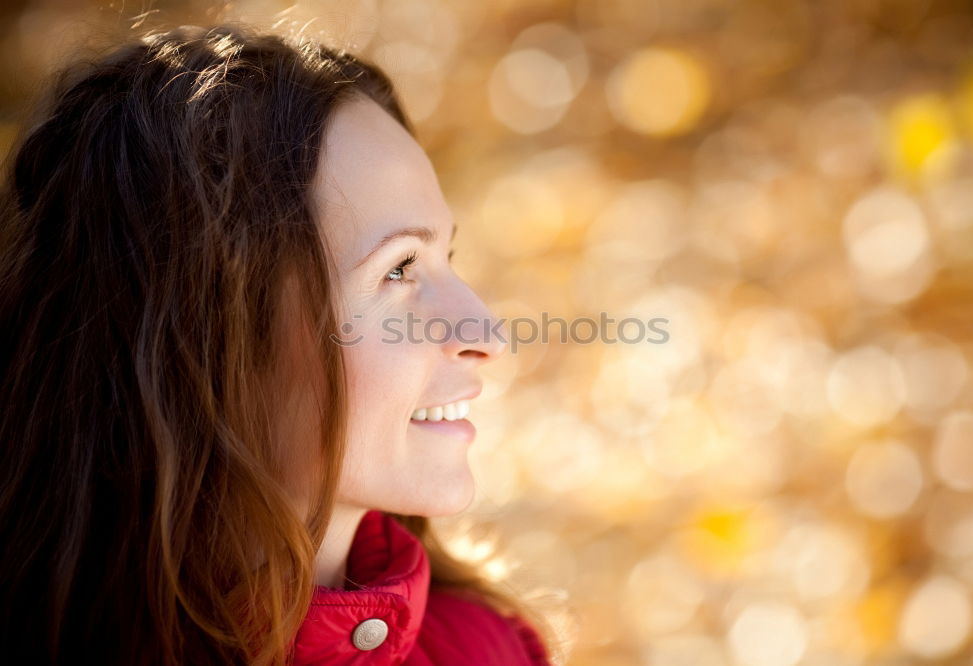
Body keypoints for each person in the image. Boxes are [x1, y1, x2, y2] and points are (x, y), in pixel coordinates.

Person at [0, 23, 557, 665]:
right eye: (398, 269)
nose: (483, 332)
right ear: (206, 335)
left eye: (445, 257)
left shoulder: (492, 649)